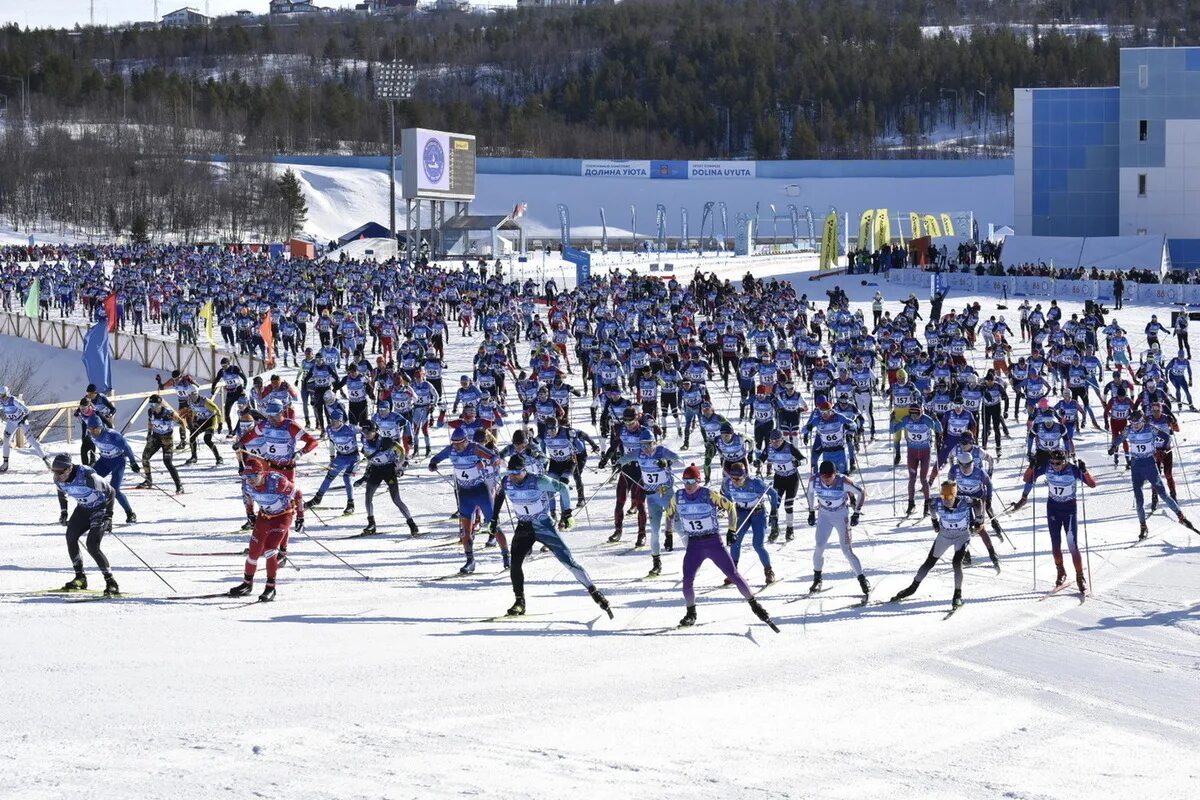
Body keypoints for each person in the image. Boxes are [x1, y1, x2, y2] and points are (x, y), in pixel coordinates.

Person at [663, 464, 777, 629]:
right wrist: (668, 534)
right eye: (685, 481)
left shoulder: (708, 494)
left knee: (733, 574)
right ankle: (690, 613)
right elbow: (669, 514)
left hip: (713, 542)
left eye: (692, 481)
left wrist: (732, 530)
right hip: (695, 544)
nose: (688, 485)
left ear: (699, 480)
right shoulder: (678, 496)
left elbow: (730, 507)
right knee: (687, 580)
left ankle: (755, 606)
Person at [498, 455, 612, 618]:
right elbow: (500, 495)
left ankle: (595, 592)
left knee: (568, 561)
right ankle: (519, 602)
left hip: (544, 526)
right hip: (524, 527)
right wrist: (494, 518)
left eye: (517, 473)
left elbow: (563, 489)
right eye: (511, 472)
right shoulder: (507, 481)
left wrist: (567, 513)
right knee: (515, 564)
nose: (513, 476)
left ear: (524, 471)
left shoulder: (539, 481)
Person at [1009, 449, 1097, 593]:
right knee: (1055, 545)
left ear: (1065, 461)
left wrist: (1085, 471)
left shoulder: (1073, 470)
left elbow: (1092, 484)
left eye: (1058, 463)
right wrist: (1032, 466)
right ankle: (1061, 571)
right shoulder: (1047, 467)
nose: (1055, 466)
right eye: (1052, 462)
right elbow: (1027, 479)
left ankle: (1080, 576)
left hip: (1069, 511)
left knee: (1072, 544)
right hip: (1053, 509)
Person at [890, 479, 983, 613]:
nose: (946, 500)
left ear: (955, 495)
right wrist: (934, 521)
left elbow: (978, 502)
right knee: (929, 563)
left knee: (956, 563)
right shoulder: (937, 502)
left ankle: (957, 595)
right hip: (944, 536)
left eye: (949, 496)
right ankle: (913, 587)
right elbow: (930, 505)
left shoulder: (965, 501)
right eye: (943, 496)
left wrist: (979, 520)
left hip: (961, 536)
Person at [1109, 410, 1195, 539]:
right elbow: (1120, 438)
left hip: (1150, 464)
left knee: (1163, 494)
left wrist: (1163, 450)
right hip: (1136, 466)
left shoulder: (1150, 428)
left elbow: (1166, 437)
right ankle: (1143, 525)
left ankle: (1181, 516)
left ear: (1142, 421)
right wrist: (1113, 446)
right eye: (1132, 423)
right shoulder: (1129, 429)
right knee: (1139, 500)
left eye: (1137, 423)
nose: (1134, 426)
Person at [429, 427, 501, 575]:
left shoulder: (487, 449)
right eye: (477, 441)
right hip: (467, 488)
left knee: (490, 514)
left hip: (487, 484)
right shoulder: (459, 449)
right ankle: (470, 556)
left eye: (481, 441)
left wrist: (487, 465)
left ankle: (495, 539)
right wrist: (433, 462)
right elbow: (439, 456)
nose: (479, 443)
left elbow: (495, 462)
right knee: (469, 516)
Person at [228, 455, 299, 602]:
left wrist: (301, 517)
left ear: (261, 473)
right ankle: (247, 584)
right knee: (253, 550)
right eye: (248, 476)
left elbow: (297, 493)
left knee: (270, 549)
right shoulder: (247, 483)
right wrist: (250, 514)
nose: (251, 480)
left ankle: (270, 588)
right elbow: (247, 497)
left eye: (254, 476)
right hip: (264, 516)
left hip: (282, 516)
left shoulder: (276, 481)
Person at [48, 453, 120, 596]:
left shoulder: (88, 477)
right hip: (83, 509)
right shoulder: (58, 478)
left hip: (99, 509)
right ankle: (80, 578)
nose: (57, 475)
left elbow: (111, 491)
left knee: (92, 546)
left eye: (60, 472)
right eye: (54, 471)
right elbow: (61, 492)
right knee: (70, 537)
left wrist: (109, 516)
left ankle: (111, 582)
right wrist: (64, 512)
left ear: (68, 469)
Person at [804, 460, 870, 602]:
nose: (827, 480)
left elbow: (862, 492)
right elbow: (809, 493)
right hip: (824, 515)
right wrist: (811, 511)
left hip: (841, 515)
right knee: (819, 546)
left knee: (846, 550)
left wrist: (857, 512)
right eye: (824, 476)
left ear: (835, 473)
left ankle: (862, 579)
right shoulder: (814, 480)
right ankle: (817, 578)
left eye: (830, 476)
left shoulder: (843, 481)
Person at [721, 462, 780, 585]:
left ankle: (769, 571)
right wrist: (730, 510)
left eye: (739, 479)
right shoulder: (727, 484)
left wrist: (774, 512)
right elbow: (727, 499)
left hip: (757, 512)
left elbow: (773, 494)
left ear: (745, 476)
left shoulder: (755, 483)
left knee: (757, 545)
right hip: (741, 512)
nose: (735, 481)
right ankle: (733, 572)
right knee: (735, 541)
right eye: (733, 478)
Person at [85, 416, 140, 524]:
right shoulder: (91, 435)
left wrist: (133, 462)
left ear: (100, 426)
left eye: (94, 429)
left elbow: (127, 448)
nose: (92, 431)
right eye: (90, 429)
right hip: (104, 461)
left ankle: (130, 513)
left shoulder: (112, 435)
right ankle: (92, 513)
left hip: (117, 462)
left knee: (115, 490)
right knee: (90, 482)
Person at [135, 394, 187, 493]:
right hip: (156, 437)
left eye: (154, 405)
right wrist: (149, 434)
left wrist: (183, 438)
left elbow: (182, 423)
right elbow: (150, 422)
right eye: (150, 404)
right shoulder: (151, 412)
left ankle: (179, 486)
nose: (152, 407)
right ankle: (148, 480)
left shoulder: (169, 413)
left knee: (167, 462)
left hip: (167, 439)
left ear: (160, 404)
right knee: (145, 457)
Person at [0, 385, 48, 472]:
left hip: (21, 421)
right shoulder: (1, 401)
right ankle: (5, 463)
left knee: (31, 441)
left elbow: (27, 410)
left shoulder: (14, 400)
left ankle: (46, 460)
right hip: (11, 422)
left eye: (3, 396)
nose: (2, 398)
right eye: (0, 396)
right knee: (6, 441)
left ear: (7, 394)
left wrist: (24, 419)